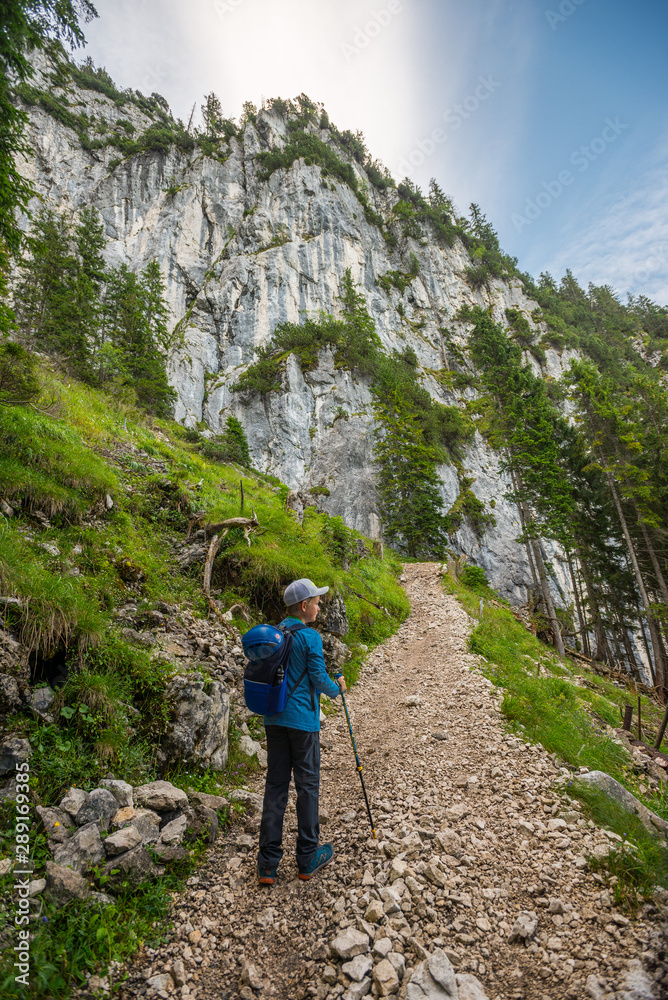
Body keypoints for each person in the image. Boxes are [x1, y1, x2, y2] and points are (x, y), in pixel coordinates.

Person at [257, 578, 346, 885]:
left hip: (274, 721)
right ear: (304, 606)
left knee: (276, 788)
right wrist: (338, 690)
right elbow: (320, 679)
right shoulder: (310, 638)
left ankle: (267, 864)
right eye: (317, 602)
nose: (320, 606)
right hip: (303, 724)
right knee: (307, 787)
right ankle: (307, 858)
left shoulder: (273, 635)